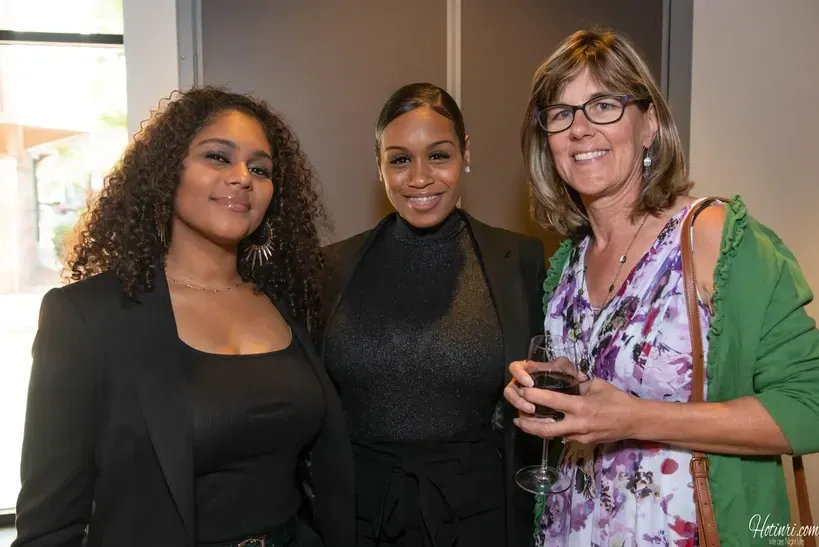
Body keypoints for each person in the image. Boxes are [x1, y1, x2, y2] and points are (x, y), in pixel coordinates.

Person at [503, 28, 819, 546]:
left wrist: (634, 417)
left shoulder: (714, 239)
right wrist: (561, 382)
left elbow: (811, 407)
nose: (580, 129)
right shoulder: (566, 263)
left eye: (602, 105)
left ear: (648, 124)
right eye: (561, 114)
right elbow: (608, 381)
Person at [12, 87, 354, 547]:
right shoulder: (86, 317)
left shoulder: (292, 304)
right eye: (217, 157)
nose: (242, 178)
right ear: (167, 170)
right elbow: (49, 527)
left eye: (260, 168)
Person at [315, 82, 546, 547]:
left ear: (465, 153)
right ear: (378, 164)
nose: (419, 178)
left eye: (438, 156)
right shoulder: (330, 268)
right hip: (360, 516)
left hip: (478, 516)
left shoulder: (519, 259)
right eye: (400, 159)